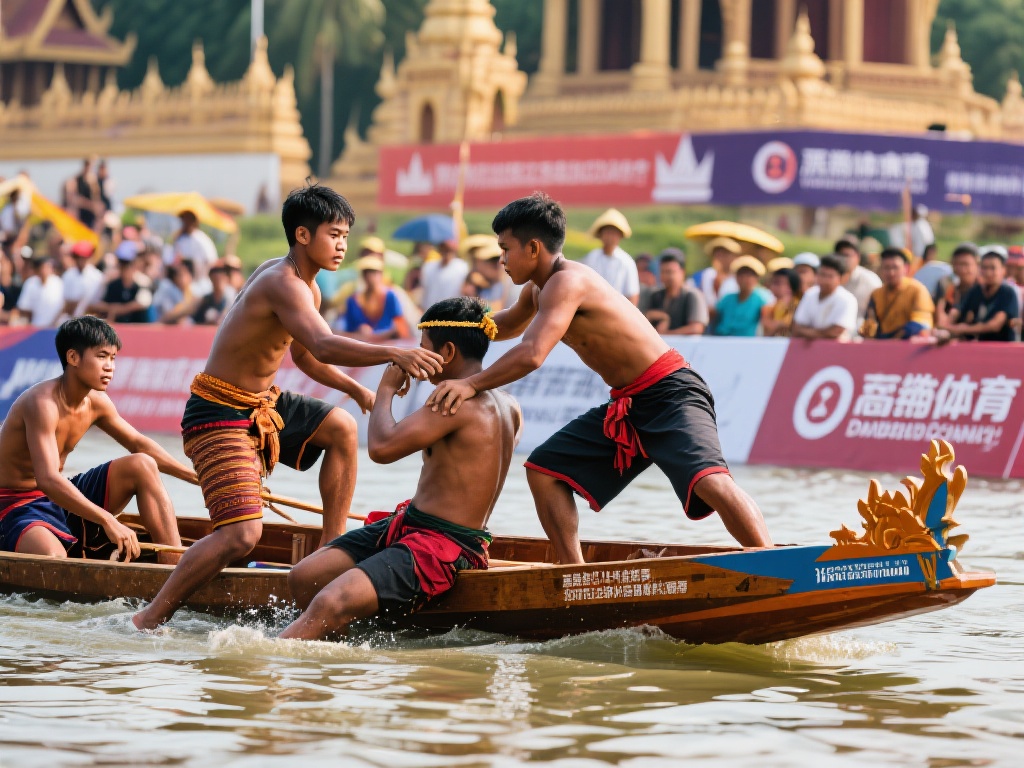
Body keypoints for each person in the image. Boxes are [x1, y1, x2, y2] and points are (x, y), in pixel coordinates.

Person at [132, 182, 444, 630]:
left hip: (260, 403)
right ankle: (150, 617)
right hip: (217, 413)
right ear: (302, 235)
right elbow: (322, 342)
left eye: (345, 237)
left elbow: (303, 356)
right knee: (241, 536)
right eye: (333, 234)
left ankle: (328, 556)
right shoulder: (283, 283)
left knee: (341, 428)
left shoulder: (306, 288)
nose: (342, 246)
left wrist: (354, 392)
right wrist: (394, 352)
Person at [426, 193, 773, 565]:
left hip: (672, 392)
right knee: (545, 472)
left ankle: (773, 563)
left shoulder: (567, 282)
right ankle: (574, 576)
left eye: (505, 249)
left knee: (709, 480)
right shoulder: (539, 288)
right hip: (629, 403)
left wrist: (470, 383)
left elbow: (532, 353)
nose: (501, 259)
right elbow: (504, 324)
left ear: (533, 247)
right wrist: (446, 327)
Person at [279, 297, 521, 640]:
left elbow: (381, 448)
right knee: (304, 576)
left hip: (444, 546)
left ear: (447, 353)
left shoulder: (452, 402)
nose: (415, 359)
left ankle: (280, 660)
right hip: (413, 525)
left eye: (422, 350)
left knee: (329, 600)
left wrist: (387, 389)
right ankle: (348, 632)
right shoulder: (509, 402)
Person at [0, 317, 191, 564]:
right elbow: (47, 478)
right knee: (53, 559)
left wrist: (195, 478)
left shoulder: (97, 401)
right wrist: (107, 519)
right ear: (73, 358)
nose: (110, 366)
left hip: (56, 498)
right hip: (15, 505)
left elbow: (139, 444)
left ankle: (174, 568)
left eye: (113, 358)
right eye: (101, 356)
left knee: (142, 464)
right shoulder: (42, 403)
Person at [939, 248, 1020, 342]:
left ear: (1003, 270)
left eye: (993, 268)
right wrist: (945, 326)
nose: (988, 272)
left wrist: (960, 329)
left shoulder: (1008, 293)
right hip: (981, 348)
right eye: (984, 268)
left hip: (1005, 350)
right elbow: (959, 311)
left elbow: (995, 325)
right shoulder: (976, 291)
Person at [860, 248, 935, 340]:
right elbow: (870, 324)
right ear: (881, 269)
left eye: (895, 267)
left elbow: (921, 324)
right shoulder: (876, 294)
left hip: (908, 343)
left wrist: (894, 341)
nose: (891, 273)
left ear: (906, 268)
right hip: (882, 343)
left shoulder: (917, 290)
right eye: (886, 268)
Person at [340, 255, 411, 340]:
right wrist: (359, 330)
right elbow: (348, 330)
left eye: (374, 272)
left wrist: (388, 333)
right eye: (367, 272)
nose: (371, 276)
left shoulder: (390, 296)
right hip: (361, 345)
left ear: (381, 274)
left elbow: (400, 326)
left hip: (387, 345)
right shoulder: (353, 300)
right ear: (363, 275)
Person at [791, 254, 859, 341]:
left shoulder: (847, 299)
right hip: (809, 350)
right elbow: (797, 327)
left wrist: (807, 333)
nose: (824, 280)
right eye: (822, 274)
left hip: (838, 351)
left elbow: (835, 332)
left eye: (830, 276)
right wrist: (821, 333)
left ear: (841, 278)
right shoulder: (810, 294)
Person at [642, 250, 708, 335]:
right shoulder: (655, 295)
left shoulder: (692, 295)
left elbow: (696, 328)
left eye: (670, 272)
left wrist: (666, 334)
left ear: (682, 272)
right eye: (663, 272)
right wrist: (653, 316)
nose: (666, 276)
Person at [582, 209, 639, 305]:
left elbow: (632, 295)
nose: (609, 236)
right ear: (601, 234)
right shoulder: (592, 257)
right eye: (607, 232)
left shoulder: (626, 262)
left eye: (613, 233)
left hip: (618, 311)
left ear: (620, 236)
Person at [88, 242, 154, 323]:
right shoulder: (112, 282)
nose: (124, 267)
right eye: (122, 263)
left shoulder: (143, 282)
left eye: (128, 263)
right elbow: (96, 305)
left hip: (138, 328)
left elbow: (143, 304)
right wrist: (111, 308)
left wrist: (120, 308)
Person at [712, 256, 769, 337]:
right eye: (741, 275)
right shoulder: (727, 299)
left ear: (757, 279)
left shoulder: (760, 300)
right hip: (721, 339)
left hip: (746, 343)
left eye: (749, 275)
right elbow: (714, 316)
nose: (744, 279)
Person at [835, 236, 882, 322]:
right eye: (840, 255)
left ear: (858, 257)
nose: (843, 260)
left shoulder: (870, 280)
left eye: (847, 255)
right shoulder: (830, 277)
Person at [936, 243, 979, 329]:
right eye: (957, 264)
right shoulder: (949, 288)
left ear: (977, 265)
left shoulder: (983, 290)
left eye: (966, 264)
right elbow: (940, 320)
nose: (962, 269)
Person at [689, 237, 740, 311]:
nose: (720, 257)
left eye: (725, 254)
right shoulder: (703, 275)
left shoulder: (739, 280)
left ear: (734, 257)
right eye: (717, 253)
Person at [14, 254, 64, 327]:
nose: (46, 270)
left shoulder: (58, 283)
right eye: (43, 267)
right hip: (36, 327)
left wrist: (53, 323)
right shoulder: (30, 283)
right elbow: (24, 307)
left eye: (48, 267)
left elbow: (63, 307)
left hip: (56, 327)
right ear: (37, 270)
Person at [172, 210, 218, 288]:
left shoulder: (201, 239)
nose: (186, 222)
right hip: (182, 282)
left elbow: (211, 261)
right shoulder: (180, 239)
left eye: (188, 219)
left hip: (201, 282)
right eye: (184, 219)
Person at [420, 239, 469, 309]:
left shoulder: (462, 267)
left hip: (452, 312)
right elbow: (424, 291)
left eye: (449, 250)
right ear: (440, 250)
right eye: (444, 250)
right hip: (431, 311)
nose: (447, 253)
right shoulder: (429, 267)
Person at [62, 241, 105, 320]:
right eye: (78, 257)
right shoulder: (68, 275)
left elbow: (98, 303)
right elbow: (66, 304)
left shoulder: (97, 276)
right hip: (70, 320)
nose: (80, 260)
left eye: (83, 257)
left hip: (90, 321)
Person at [761, 267, 801, 337]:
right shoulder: (768, 308)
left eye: (778, 283)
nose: (773, 286)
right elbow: (767, 332)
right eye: (773, 282)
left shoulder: (799, 306)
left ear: (791, 287)